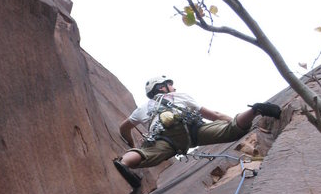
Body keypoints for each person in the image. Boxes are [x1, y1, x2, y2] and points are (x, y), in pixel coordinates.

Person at [114, 76, 281, 187]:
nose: (173, 87)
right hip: (193, 129)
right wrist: (236, 123)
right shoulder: (181, 96)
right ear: (161, 87)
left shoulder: (144, 108)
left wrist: (131, 143)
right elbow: (214, 115)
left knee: (146, 154)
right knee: (231, 132)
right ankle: (255, 111)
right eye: (170, 84)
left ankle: (124, 162)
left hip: (166, 138)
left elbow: (124, 127)